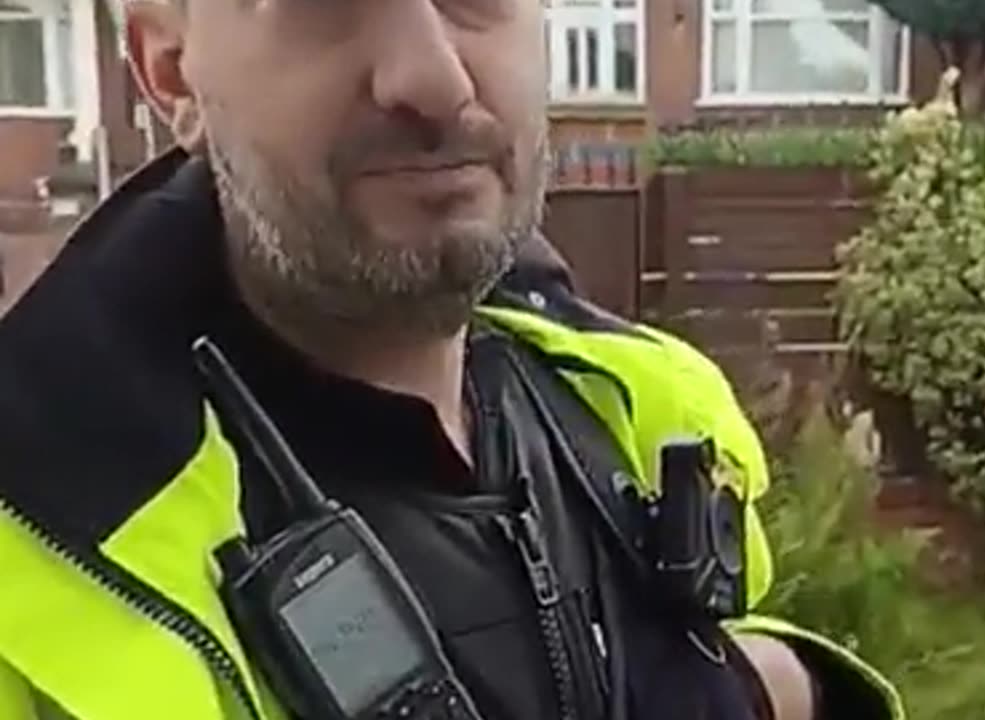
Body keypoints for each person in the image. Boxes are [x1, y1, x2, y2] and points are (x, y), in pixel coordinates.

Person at [0, 1, 903, 719]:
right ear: (169, 72)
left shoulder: (644, 411)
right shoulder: (37, 556)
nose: (433, 77)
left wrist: (789, 687)